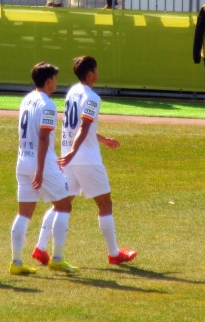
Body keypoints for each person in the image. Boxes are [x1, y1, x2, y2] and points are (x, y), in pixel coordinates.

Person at [32, 56, 138, 266]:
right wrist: (74, 151)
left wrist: (102, 139)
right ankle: (114, 253)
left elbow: (77, 127)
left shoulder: (72, 92)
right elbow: (84, 126)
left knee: (63, 202)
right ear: (90, 74)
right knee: (105, 203)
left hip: (68, 158)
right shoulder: (93, 97)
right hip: (86, 159)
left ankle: (40, 247)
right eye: (96, 70)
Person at [10, 62, 76, 275]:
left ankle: (16, 263)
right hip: (42, 163)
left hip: (22, 160)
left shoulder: (27, 100)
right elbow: (44, 137)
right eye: (55, 78)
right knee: (64, 205)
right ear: (48, 81)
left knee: (24, 213)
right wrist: (40, 170)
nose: (57, 82)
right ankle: (57, 258)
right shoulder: (47, 105)